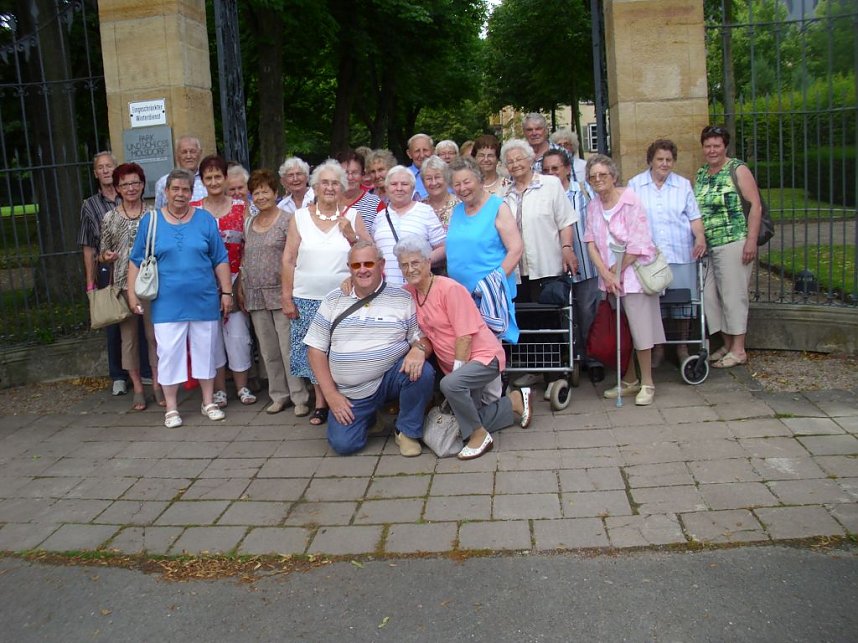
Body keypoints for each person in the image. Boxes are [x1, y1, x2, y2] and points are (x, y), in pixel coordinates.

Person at [396, 236, 533, 460]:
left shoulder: (449, 289)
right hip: (460, 366)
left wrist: (457, 376)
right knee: (467, 414)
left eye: (415, 263)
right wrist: (349, 285)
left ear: (428, 262)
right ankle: (515, 402)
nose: (410, 269)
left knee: (450, 385)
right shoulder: (410, 292)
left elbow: (465, 336)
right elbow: (383, 294)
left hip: (484, 357)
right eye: (404, 265)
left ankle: (480, 436)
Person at [304, 241, 435, 456]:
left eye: (368, 263)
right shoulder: (333, 300)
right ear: (349, 268)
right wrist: (331, 396)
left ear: (381, 265)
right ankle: (371, 417)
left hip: (390, 378)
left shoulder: (402, 298)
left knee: (422, 372)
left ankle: (407, 431)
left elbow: (421, 338)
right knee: (344, 445)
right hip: (350, 393)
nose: (362, 269)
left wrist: (419, 349)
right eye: (356, 265)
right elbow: (315, 349)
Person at [128, 169, 233, 428]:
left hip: (204, 299)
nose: (180, 194)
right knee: (169, 354)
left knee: (205, 352)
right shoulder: (150, 221)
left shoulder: (205, 219)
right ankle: (172, 408)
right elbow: (135, 261)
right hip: (166, 302)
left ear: (191, 192)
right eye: (175, 189)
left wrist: (227, 292)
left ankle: (208, 401)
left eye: (185, 190)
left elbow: (220, 258)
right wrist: (132, 295)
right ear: (166, 192)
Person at [282, 160, 370, 426]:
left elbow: (368, 253)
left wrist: (351, 236)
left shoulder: (352, 217)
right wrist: (287, 296)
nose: (330, 187)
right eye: (325, 183)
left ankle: (344, 398)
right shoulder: (299, 217)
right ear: (315, 187)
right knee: (314, 352)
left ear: (342, 187)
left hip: (344, 299)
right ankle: (321, 402)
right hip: (306, 297)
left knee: (341, 351)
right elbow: (288, 258)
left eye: (335, 183)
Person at [583, 154, 665, 406]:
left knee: (641, 333)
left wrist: (615, 272)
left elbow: (638, 243)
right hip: (609, 279)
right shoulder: (593, 205)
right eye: (593, 176)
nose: (598, 180)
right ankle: (629, 380)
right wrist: (606, 274)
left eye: (602, 175)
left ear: (614, 176)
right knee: (622, 334)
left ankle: (648, 383)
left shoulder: (630, 201)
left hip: (633, 277)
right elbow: (590, 242)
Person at [627, 139, 706, 365]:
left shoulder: (682, 185)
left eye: (668, 160)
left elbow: (694, 217)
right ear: (651, 160)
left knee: (683, 304)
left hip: (680, 253)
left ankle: (681, 347)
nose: (664, 164)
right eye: (660, 159)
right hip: (649, 258)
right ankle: (658, 348)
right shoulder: (635, 185)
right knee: (656, 305)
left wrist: (699, 236)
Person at [239, 169, 310, 416]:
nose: (260, 197)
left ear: (275, 193)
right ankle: (278, 395)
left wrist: (289, 293)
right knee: (268, 350)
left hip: (281, 294)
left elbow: (295, 257)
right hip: (256, 295)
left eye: (265, 191)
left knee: (288, 347)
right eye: (256, 192)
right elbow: (245, 258)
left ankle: (300, 397)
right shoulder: (249, 222)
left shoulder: (288, 219)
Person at [693, 125, 763, 369]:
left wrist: (751, 241)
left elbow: (755, 206)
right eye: (708, 145)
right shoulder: (702, 173)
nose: (712, 150)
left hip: (734, 241)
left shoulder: (737, 169)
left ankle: (739, 349)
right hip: (709, 246)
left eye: (717, 145)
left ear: (725, 146)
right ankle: (726, 343)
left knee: (733, 296)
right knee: (709, 297)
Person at [190, 155, 255, 407]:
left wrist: (244, 281)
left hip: (236, 278)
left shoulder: (241, 206)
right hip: (204, 282)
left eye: (218, 176)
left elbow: (250, 244)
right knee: (211, 337)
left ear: (226, 178)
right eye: (209, 177)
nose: (214, 181)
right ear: (203, 181)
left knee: (238, 335)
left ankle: (242, 386)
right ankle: (218, 390)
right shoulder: (194, 209)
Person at [99, 162, 162, 410]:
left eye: (135, 182)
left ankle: (157, 384)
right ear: (117, 188)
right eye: (125, 184)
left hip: (151, 285)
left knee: (154, 337)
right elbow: (102, 251)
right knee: (129, 340)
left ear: (143, 184)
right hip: (123, 285)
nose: (131, 188)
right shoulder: (110, 217)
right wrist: (107, 256)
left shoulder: (154, 214)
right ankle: (137, 387)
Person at [446, 156, 522, 343]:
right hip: (462, 295)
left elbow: (516, 249)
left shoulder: (497, 207)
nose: (462, 188)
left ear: (479, 180)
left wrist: (493, 283)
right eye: (457, 184)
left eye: (467, 182)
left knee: (488, 352)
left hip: (489, 295)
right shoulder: (457, 210)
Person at [541, 149, 602, 375]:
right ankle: (572, 357)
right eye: (546, 170)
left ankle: (592, 358)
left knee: (588, 312)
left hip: (586, 263)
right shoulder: (542, 195)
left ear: (567, 169)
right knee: (565, 315)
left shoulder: (583, 192)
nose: (551, 173)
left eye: (555, 168)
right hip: (556, 266)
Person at [500, 138, 579, 302]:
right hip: (515, 273)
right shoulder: (503, 194)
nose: (515, 165)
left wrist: (567, 248)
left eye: (519, 159)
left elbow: (565, 222)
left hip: (547, 267)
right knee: (523, 322)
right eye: (510, 162)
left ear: (530, 159)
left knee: (549, 322)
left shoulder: (550, 185)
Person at [373, 165, 446, 286]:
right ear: (386, 188)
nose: (399, 188)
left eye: (404, 184)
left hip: (418, 286)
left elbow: (443, 248)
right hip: (385, 290)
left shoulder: (425, 211)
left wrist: (421, 263)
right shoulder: (379, 217)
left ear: (413, 188)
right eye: (394, 184)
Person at [336, 149, 382, 234]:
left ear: (362, 174)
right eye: (345, 173)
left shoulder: (376, 204)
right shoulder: (327, 201)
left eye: (355, 172)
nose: (350, 177)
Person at [154, 136, 207, 208]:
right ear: (177, 155)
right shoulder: (163, 182)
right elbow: (159, 212)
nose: (189, 156)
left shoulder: (209, 180)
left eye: (192, 151)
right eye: (184, 152)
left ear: (200, 153)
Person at [420, 155, 460, 229]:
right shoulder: (420, 207)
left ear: (446, 178)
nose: (434, 183)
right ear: (423, 182)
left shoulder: (460, 205)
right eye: (429, 178)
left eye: (437, 177)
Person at [406, 133, 434, 200]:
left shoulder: (445, 174)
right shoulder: (402, 176)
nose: (422, 155)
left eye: (425, 150)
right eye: (417, 151)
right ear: (409, 154)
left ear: (433, 151)